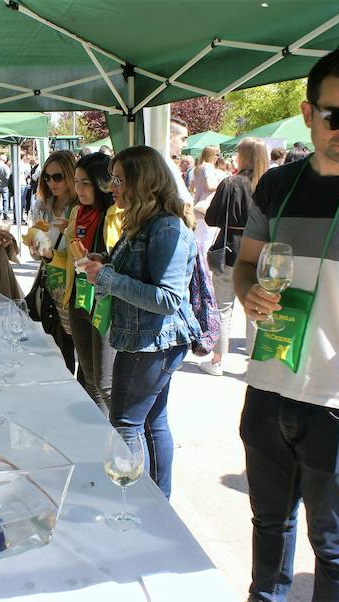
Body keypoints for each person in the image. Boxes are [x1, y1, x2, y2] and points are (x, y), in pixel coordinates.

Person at [231, 47, 339, 602]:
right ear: (308, 114)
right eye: (336, 115)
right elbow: (243, 265)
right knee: (268, 527)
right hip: (267, 384)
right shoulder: (274, 186)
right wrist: (247, 292)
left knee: (334, 545)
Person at [83, 146, 200, 499]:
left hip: (153, 341)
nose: (111, 187)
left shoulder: (166, 228)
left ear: (142, 181)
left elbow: (167, 298)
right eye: (111, 178)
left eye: (118, 179)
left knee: (126, 426)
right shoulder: (143, 220)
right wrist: (104, 262)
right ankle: (157, 502)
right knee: (152, 422)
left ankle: (132, 501)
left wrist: (107, 278)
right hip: (147, 339)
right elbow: (140, 272)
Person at [198, 137, 267, 376]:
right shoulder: (269, 183)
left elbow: (211, 218)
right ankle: (255, 363)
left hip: (230, 250)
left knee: (223, 308)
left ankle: (217, 361)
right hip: (261, 253)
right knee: (255, 308)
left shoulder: (231, 183)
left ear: (243, 155)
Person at [63, 152, 115, 416]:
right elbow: (68, 256)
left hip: (104, 304)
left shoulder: (114, 215)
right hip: (79, 299)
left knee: (105, 383)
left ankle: (117, 441)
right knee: (90, 379)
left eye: (85, 183)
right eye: (76, 182)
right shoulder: (77, 212)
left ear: (101, 183)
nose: (79, 189)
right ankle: (100, 438)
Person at [29, 150, 79, 372]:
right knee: (54, 351)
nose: (51, 182)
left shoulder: (80, 208)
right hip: (49, 286)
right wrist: (36, 248)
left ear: (70, 175)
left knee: (76, 353)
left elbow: (77, 256)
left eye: (57, 176)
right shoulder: (42, 206)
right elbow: (35, 253)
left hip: (72, 287)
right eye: (47, 177)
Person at [190, 145, 223, 251]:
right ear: (211, 154)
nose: (218, 157)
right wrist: (222, 186)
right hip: (208, 205)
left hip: (198, 204)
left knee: (198, 237)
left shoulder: (197, 168)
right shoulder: (208, 166)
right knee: (207, 238)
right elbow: (209, 185)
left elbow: (191, 187)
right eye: (217, 154)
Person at [167, 117, 194, 205]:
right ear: (170, 137)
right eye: (183, 139)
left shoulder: (168, 163)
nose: (185, 144)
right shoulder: (162, 165)